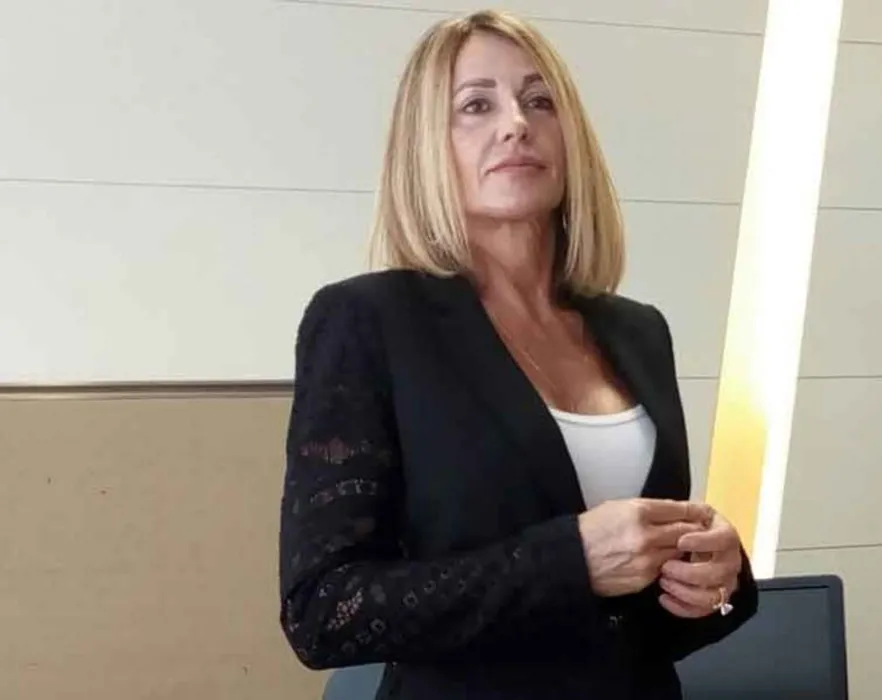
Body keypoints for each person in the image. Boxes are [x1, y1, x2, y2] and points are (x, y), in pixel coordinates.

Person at [278, 9, 757, 699]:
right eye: (476, 105)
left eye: (539, 101)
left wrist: (719, 581)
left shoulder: (638, 331)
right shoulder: (367, 322)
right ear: (427, 146)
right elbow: (324, 612)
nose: (516, 124)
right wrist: (570, 560)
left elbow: (639, 620)